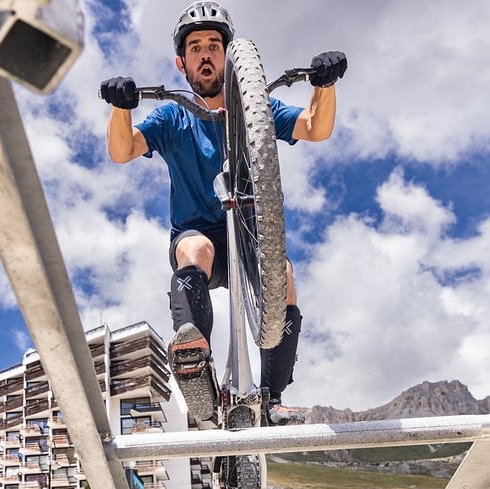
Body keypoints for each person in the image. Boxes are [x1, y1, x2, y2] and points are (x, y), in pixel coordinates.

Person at [100, 1, 346, 426]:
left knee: (283, 276)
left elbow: (314, 127)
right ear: (182, 63)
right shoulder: (174, 116)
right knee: (194, 248)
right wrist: (121, 107)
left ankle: (272, 398)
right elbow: (123, 150)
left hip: (250, 240)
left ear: (229, 56)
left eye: (214, 44)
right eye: (195, 47)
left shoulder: (254, 109)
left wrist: (323, 85)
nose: (206, 54)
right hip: (200, 237)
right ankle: (197, 366)